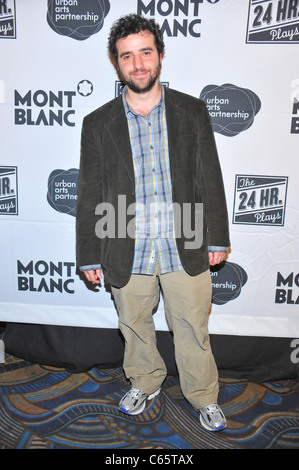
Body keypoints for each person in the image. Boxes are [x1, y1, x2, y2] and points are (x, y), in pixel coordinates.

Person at [76, 14, 230, 432]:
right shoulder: (97, 123)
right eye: (128, 56)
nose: (138, 63)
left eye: (146, 52)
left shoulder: (192, 110)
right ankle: (145, 381)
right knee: (135, 325)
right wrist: (89, 252)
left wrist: (217, 234)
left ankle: (204, 396)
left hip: (189, 236)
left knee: (192, 327)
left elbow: (209, 176)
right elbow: (90, 192)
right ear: (117, 63)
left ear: (160, 55)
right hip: (124, 239)